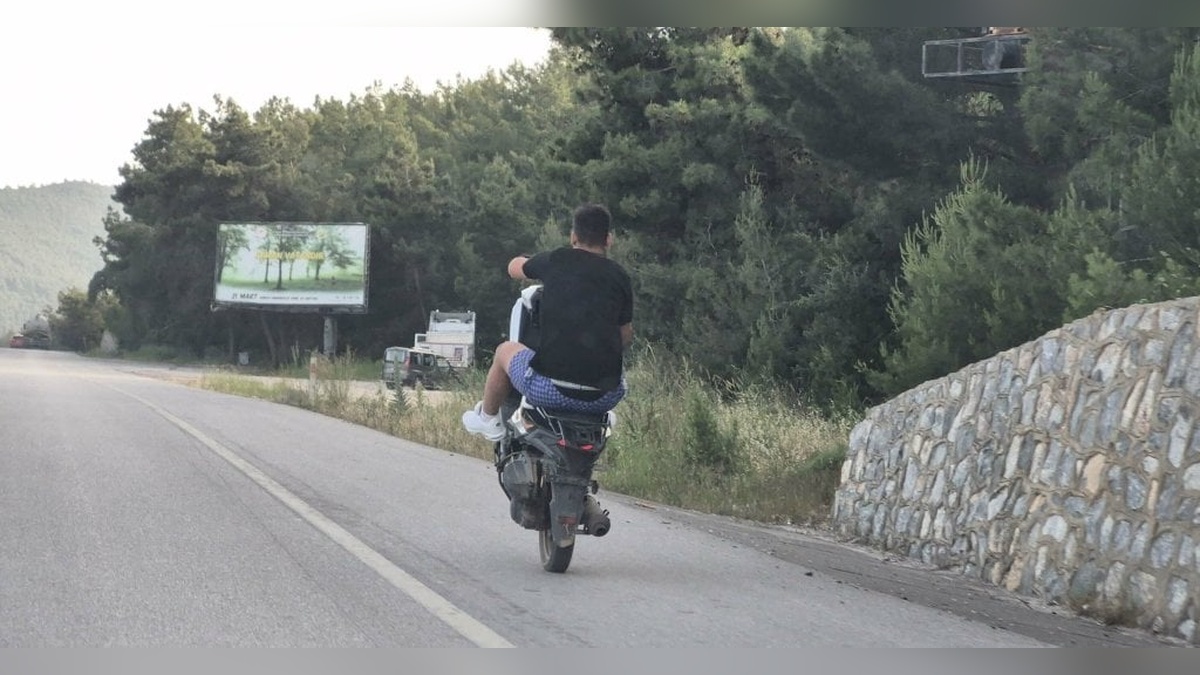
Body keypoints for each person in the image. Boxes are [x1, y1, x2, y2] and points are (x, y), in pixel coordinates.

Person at [462, 203, 634, 441]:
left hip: (550, 391)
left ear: (573, 236)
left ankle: (488, 420)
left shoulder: (556, 260)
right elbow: (625, 336)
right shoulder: (620, 276)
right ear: (608, 240)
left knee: (504, 351)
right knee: (620, 379)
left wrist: (525, 259)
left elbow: (514, 268)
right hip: (604, 396)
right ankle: (598, 422)